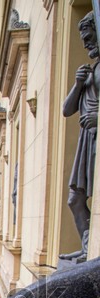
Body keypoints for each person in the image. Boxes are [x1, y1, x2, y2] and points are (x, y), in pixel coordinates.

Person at [62, 11, 100, 259]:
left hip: (95, 135)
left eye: (88, 38)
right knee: (75, 199)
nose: (85, 44)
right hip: (86, 139)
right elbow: (67, 110)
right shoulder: (89, 70)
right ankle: (87, 249)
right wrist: (77, 84)